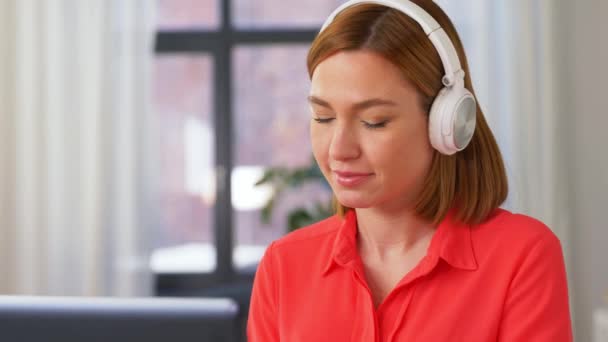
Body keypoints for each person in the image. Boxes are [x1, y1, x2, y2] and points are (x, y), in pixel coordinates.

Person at [247, 0, 573, 341]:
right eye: (323, 117)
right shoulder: (284, 266)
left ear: (445, 123)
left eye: (374, 122)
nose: (339, 149)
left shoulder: (521, 256)